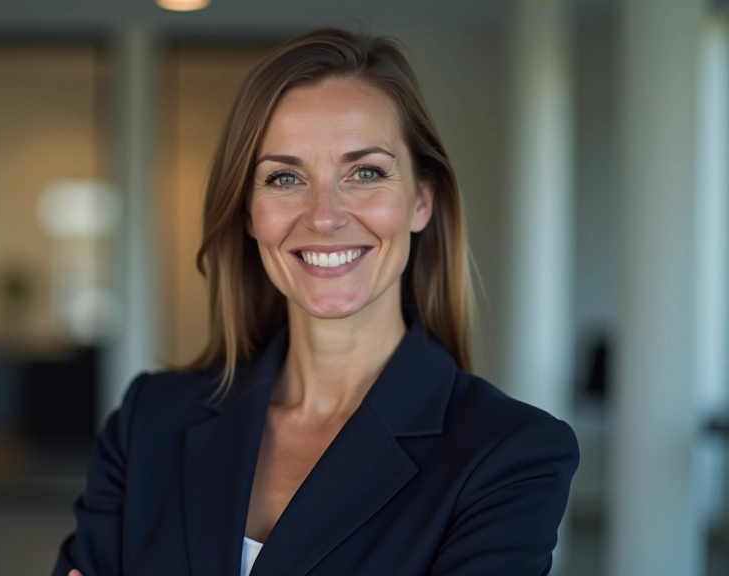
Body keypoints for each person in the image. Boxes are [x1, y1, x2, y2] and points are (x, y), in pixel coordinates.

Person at [53, 27, 578, 576]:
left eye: (365, 172)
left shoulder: (510, 455)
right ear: (249, 214)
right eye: (284, 177)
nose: (324, 217)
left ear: (421, 201)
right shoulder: (149, 422)